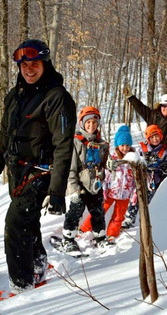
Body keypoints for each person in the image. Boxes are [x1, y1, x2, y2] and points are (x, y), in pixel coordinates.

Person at [0, 39, 77, 296]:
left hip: (42, 173)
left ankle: (22, 287)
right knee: (28, 223)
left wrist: (58, 191)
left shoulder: (57, 97)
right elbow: (5, 135)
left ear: (45, 64)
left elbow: (63, 146)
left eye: (34, 64)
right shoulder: (14, 96)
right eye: (24, 64)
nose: (28, 69)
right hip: (17, 172)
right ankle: (38, 267)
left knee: (15, 225)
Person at [61, 106, 109, 253]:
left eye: (94, 123)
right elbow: (71, 168)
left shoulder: (102, 144)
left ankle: (100, 237)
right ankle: (68, 238)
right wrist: (74, 189)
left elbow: (104, 163)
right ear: (82, 123)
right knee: (76, 211)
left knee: (98, 212)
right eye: (88, 122)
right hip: (80, 185)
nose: (91, 126)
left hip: (96, 184)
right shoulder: (76, 142)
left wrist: (110, 165)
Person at [80, 125, 137, 243]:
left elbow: (136, 178)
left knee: (118, 216)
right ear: (117, 145)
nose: (125, 148)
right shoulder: (112, 158)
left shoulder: (133, 159)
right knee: (99, 211)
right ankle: (85, 229)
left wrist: (134, 192)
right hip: (110, 192)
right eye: (122, 145)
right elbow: (105, 174)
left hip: (125, 195)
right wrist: (104, 189)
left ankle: (112, 234)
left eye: (127, 145)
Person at [122, 124, 167, 229]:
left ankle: (150, 219)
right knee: (136, 198)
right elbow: (134, 161)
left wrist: (165, 167)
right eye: (152, 137)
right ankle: (129, 217)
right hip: (142, 179)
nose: (155, 139)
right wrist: (142, 163)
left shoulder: (165, 152)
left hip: (156, 181)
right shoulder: (142, 149)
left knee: (152, 201)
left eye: (157, 136)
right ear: (148, 138)